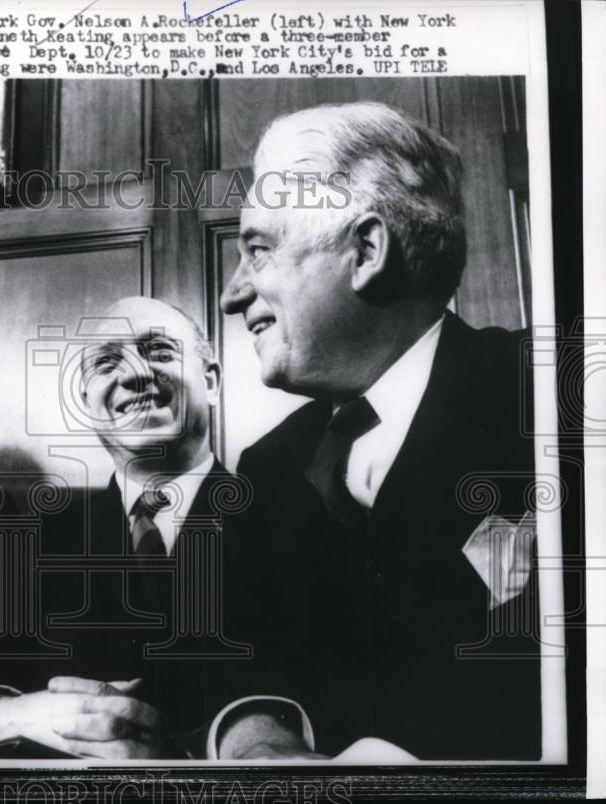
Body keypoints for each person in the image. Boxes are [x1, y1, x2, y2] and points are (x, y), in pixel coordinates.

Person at [214, 102, 541, 760]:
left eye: (257, 251)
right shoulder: (266, 467)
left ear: (365, 251)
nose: (232, 294)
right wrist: (253, 737)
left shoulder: (550, 400)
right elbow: (238, 660)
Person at [0, 296, 256, 758]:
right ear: (86, 402)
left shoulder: (284, 517)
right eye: (106, 363)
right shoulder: (30, 543)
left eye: (159, 352)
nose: (134, 374)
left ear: (212, 381)